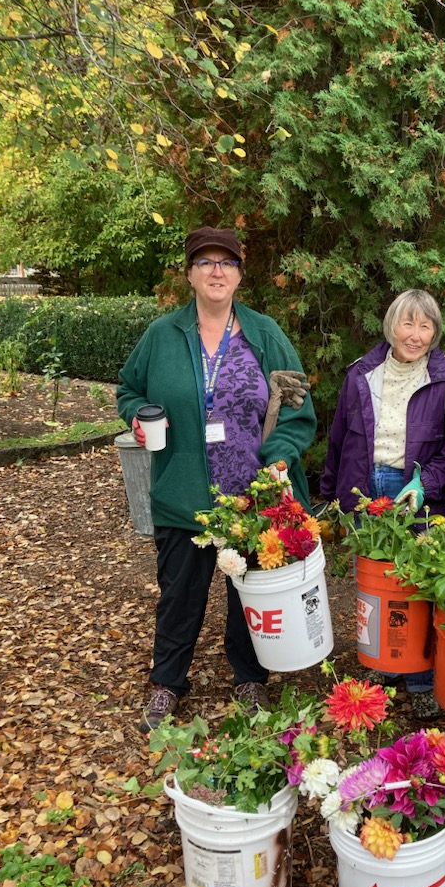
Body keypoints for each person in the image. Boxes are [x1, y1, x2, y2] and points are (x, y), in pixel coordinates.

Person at [117, 226, 316, 733]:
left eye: (225, 262)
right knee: (179, 594)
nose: (215, 271)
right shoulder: (162, 335)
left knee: (251, 591)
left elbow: (297, 409)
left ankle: (250, 679)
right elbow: (129, 389)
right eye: (204, 262)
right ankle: (167, 682)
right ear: (189, 274)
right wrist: (139, 416)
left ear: (239, 275)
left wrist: (278, 458)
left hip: (251, 494)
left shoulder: (264, 334)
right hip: (183, 494)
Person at [321, 288, 445, 720]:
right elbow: (339, 439)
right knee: (375, 584)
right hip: (365, 484)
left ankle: (418, 676)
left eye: (425, 325)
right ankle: (383, 664)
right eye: (407, 323)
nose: (415, 335)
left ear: (435, 332)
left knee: (417, 585)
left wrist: (425, 483)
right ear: (391, 325)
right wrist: (332, 494)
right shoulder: (363, 373)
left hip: (412, 488)